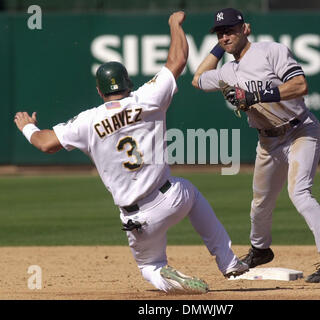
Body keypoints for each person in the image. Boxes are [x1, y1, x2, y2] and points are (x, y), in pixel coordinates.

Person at [14, 11, 248, 294]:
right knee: (192, 193)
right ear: (128, 84)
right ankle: (229, 261)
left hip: (137, 219)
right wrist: (174, 24)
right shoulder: (147, 97)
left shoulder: (87, 121)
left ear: (100, 92)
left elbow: (45, 143)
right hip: (171, 197)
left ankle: (168, 277)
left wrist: (28, 127)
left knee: (150, 268)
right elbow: (178, 60)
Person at [192, 8, 320, 283]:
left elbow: (300, 85)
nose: (225, 36)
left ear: (245, 29)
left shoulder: (270, 51)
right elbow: (197, 79)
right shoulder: (227, 71)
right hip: (267, 142)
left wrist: (257, 94)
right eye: (220, 33)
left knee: (299, 192)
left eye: (230, 30)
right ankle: (260, 250)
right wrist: (218, 49)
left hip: (300, 130)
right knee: (260, 203)